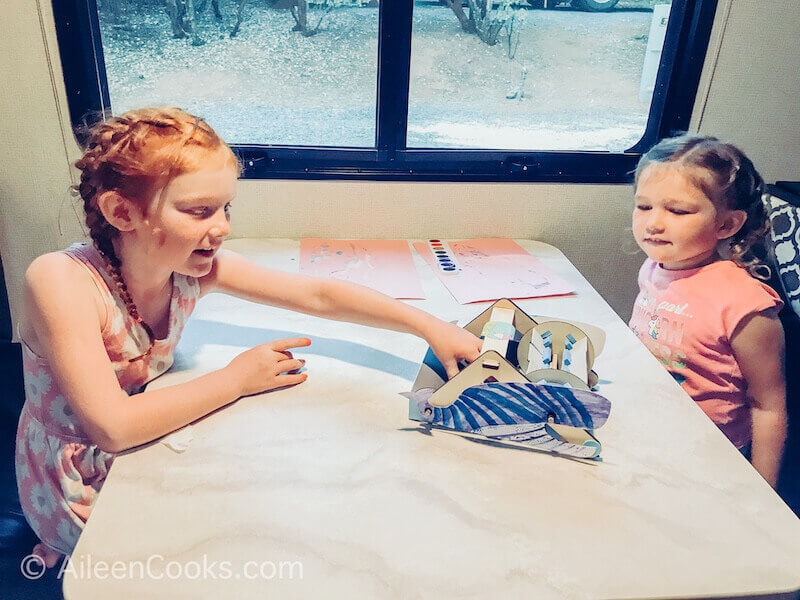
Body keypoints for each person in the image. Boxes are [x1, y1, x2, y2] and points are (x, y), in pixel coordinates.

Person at [15, 107, 482, 566]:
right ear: (121, 211)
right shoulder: (61, 280)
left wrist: (429, 326)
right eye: (199, 211)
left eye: (225, 208)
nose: (221, 228)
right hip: (75, 475)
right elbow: (111, 428)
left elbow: (318, 294)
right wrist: (236, 379)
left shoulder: (191, 270)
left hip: (146, 441)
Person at [628, 133, 787, 487]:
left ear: (727, 225)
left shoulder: (746, 304)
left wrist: (762, 490)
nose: (654, 222)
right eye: (644, 206)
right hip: (653, 432)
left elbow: (768, 406)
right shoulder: (653, 268)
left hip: (711, 457)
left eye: (677, 210)